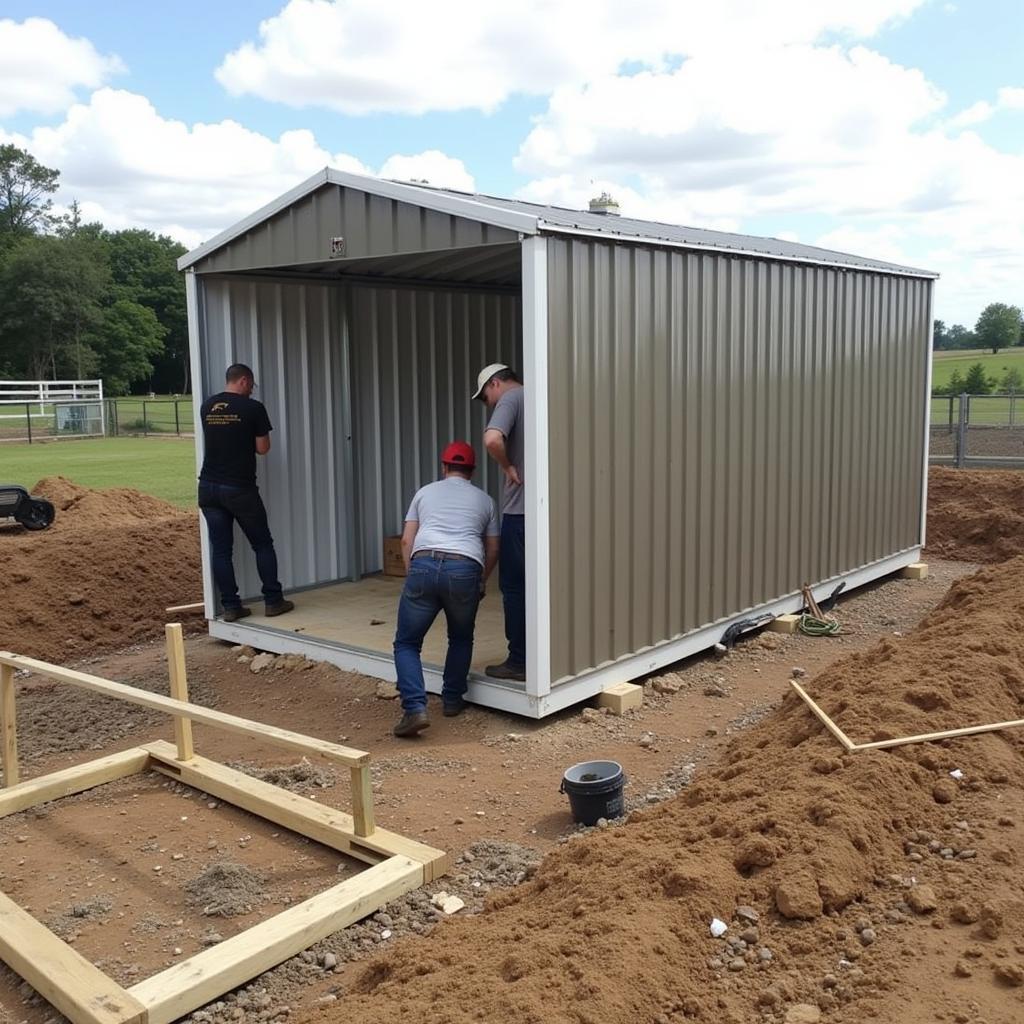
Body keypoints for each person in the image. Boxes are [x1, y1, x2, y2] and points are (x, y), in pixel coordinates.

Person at [391, 441, 499, 737]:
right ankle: (452, 700)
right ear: (472, 471)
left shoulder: (424, 493)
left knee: (407, 643)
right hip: (464, 568)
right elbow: (492, 548)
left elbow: (405, 539)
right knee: (461, 637)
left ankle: (414, 708)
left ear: (444, 467)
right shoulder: (485, 500)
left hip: (424, 563)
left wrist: (414, 574)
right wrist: (481, 579)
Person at [198, 363, 294, 623]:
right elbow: (263, 448)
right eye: (251, 385)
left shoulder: (207, 406)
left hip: (207, 488)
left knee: (221, 550)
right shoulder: (253, 408)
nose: (252, 390)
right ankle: (273, 601)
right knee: (262, 543)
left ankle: (231, 607)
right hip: (238, 488)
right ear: (243, 381)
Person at [473, 363, 526, 682]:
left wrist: (507, 467)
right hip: (548, 512)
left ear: (496, 383)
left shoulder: (511, 398)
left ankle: (519, 660)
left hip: (520, 513)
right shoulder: (542, 396)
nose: (489, 404)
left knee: (514, 587)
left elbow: (492, 439)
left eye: (486, 397)